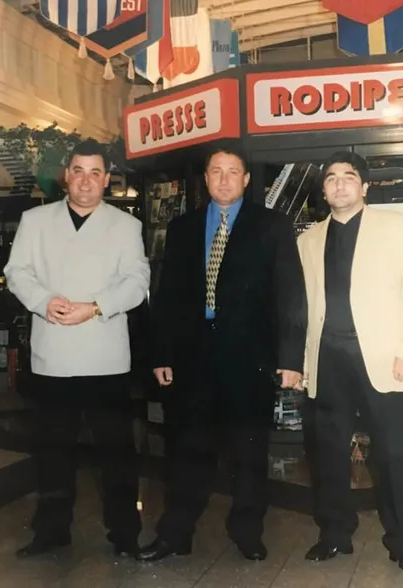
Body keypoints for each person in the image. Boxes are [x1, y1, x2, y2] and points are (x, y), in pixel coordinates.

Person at [136, 144, 307, 563]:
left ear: (246, 179)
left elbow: (290, 295)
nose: (224, 179)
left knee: (249, 453)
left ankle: (247, 532)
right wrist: (162, 354)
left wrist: (290, 360)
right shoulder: (183, 228)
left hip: (250, 360)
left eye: (233, 172)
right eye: (216, 171)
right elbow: (168, 295)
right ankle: (176, 533)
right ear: (206, 178)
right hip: (192, 360)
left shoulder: (273, 226)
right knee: (186, 451)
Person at [4, 138, 150, 558]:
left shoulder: (126, 226)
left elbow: (137, 281)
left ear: (106, 180)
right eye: (79, 172)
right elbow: (17, 272)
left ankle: (125, 532)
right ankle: (51, 531)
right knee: (54, 453)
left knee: (117, 452)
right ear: (66, 176)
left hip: (106, 357)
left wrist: (97, 306)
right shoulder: (35, 221)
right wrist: (42, 301)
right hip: (53, 355)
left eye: (95, 173)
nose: (86, 181)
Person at [297, 150, 403, 575]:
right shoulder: (308, 240)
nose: (339, 184)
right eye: (331, 178)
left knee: (393, 454)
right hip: (328, 359)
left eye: (348, 176)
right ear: (323, 190)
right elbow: (305, 307)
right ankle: (335, 534)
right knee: (328, 453)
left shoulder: (395, 227)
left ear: (365, 186)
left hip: (384, 358)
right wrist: (305, 361)